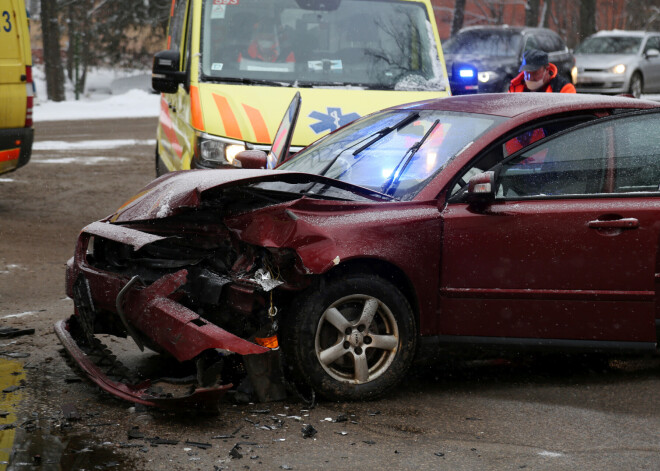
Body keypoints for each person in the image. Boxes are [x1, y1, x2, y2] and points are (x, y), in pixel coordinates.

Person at [508, 49, 576, 93]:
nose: (530, 78)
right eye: (527, 73)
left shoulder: (564, 89)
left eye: (535, 73)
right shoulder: (515, 87)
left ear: (547, 69)